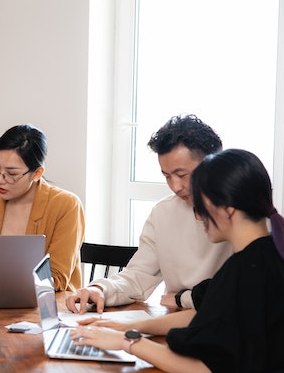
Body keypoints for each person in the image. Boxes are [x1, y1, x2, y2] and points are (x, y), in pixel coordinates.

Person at [72, 149, 284, 373]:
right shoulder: (275, 254)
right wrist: (130, 327)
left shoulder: (242, 271)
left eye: (201, 205)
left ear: (227, 208)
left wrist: (126, 342)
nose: (197, 214)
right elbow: (211, 316)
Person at [66, 114, 233, 312]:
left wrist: (182, 298)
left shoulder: (239, 214)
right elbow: (138, 276)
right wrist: (100, 288)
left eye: (181, 175)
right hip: (175, 323)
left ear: (213, 165)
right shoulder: (164, 212)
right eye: (167, 176)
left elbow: (239, 290)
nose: (175, 186)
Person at [0, 124, 85, 291]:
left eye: (12, 174)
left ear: (37, 173)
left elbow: (57, 278)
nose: (0, 180)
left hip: (47, 306)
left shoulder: (66, 205)